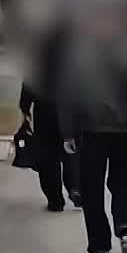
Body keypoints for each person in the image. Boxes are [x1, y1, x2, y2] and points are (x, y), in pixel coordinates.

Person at [57, 20, 127, 253]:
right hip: (122, 132)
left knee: (92, 190)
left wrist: (68, 133)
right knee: (122, 185)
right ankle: (125, 228)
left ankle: (99, 245)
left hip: (91, 133)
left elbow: (68, 97)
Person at [19, 82, 81, 211]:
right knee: (72, 155)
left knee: (48, 160)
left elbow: (27, 92)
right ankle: (75, 188)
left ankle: (55, 200)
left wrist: (25, 110)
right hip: (71, 113)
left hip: (45, 115)